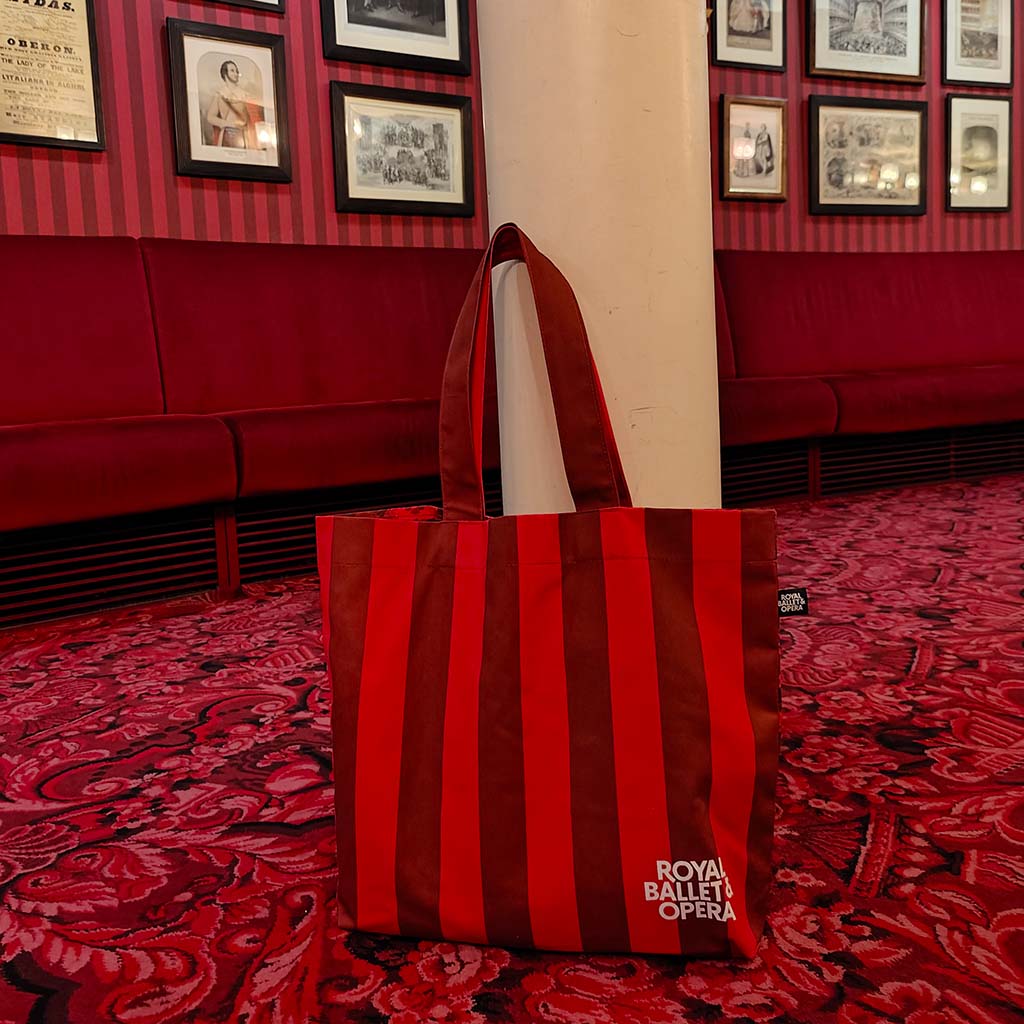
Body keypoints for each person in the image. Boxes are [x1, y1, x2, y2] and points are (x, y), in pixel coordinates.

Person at [206, 61, 252, 149]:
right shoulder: (220, 95)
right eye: (232, 70)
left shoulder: (245, 95)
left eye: (237, 71)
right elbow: (210, 117)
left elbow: (250, 118)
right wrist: (226, 123)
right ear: (225, 73)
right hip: (225, 136)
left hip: (242, 136)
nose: (236, 73)